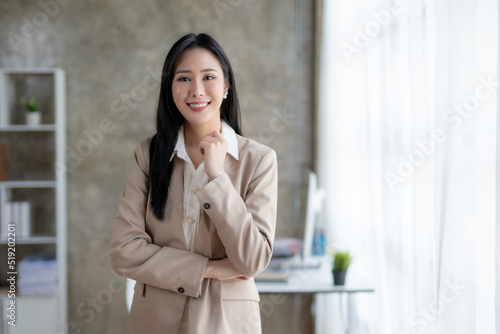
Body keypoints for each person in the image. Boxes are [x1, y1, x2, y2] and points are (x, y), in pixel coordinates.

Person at [109, 33, 278, 334]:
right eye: (184, 78)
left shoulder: (259, 160)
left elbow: (252, 260)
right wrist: (209, 269)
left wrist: (217, 177)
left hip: (226, 322)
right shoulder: (148, 154)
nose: (196, 91)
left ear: (226, 85)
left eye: (208, 77)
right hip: (154, 321)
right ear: (170, 89)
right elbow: (124, 252)